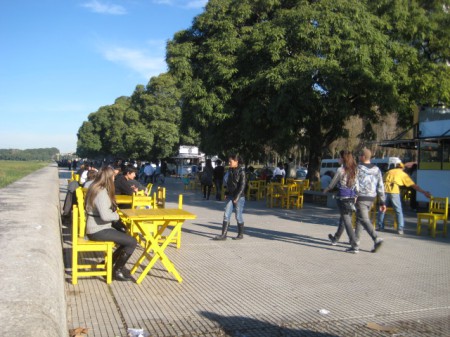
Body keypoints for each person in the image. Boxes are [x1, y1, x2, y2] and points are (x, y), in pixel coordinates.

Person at [85, 166, 137, 281]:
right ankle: (116, 271)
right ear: (109, 177)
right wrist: (117, 215)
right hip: (98, 230)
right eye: (113, 176)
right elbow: (105, 216)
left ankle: (108, 265)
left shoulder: (95, 187)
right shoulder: (101, 192)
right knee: (132, 242)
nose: (114, 178)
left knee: (126, 240)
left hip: (95, 227)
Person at [377, 162, 431, 235]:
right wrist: (424, 192)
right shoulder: (402, 174)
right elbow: (413, 185)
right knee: (398, 210)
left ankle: (380, 227)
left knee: (382, 208)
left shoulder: (388, 172)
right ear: (402, 168)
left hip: (384, 191)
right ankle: (400, 228)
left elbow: (380, 182)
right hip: (394, 191)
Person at [324, 150, 359, 253]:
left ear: (343, 159)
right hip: (352, 197)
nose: (337, 159)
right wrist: (356, 195)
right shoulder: (355, 170)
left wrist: (326, 189)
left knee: (347, 221)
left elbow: (333, 183)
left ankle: (354, 244)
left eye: (339, 157)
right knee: (344, 219)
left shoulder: (340, 170)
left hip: (343, 197)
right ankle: (335, 238)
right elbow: (357, 185)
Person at [353, 148, 386, 252]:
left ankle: (376, 238)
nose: (358, 157)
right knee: (359, 219)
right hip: (372, 198)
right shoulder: (377, 169)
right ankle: (355, 244)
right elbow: (381, 186)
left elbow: (355, 183)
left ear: (363, 157)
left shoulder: (358, 168)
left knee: (364, 219)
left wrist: (354, 195)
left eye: (359, 155)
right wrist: (382, 201)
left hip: (361, 197)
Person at [213, 154, 246, 240]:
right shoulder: (229, 171)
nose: (229, 163)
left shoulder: (241, 172)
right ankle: (223, 235)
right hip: (230, 196)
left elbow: (242, 186)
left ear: (236, 161)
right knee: (226, 214)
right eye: (229, 161)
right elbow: (229, 184)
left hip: (239, 197)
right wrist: (227, 193)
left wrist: (237, 197)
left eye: (231, 161)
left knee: (238, 216)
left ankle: (240, 234)